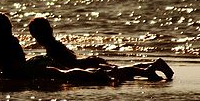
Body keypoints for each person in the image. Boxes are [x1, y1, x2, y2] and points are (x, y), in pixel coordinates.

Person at [0, 13, 113, 85]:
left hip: (21, 72)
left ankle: (96, 75)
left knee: (63, 74)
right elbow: (20, 59)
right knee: (63, 73)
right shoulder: (12, 40)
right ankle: (96, 75)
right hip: (27, 67)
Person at [27, 16, 173, 81]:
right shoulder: (55, 44)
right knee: (122, 69)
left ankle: (147, 72)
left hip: (87, 64)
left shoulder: (53, 48)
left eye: (36, 36)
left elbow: (66, 66)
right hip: (88, 61)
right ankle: (152, 65)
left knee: (120, 71)